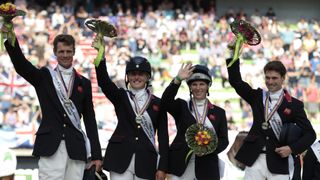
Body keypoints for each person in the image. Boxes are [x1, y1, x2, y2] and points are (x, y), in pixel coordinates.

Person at [2, 22, 102, 179]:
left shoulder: (84, 83)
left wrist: (97, 155)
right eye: (61, 51)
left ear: (74, 52)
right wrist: (9, 38)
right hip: (51, 145)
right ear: (55, 52)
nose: (65, 55)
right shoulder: (45, 77)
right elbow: (21, 66)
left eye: (69, 51)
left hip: (76, 147)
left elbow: (90, 120)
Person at [226, 53, 316, 179]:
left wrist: (291, 148)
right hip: (254, 159)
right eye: (267, 78)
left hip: (279, 162)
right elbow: (236, 81)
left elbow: (310, 134)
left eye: (274, 78)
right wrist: (232, 53)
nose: (270, 82)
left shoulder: (294, 105)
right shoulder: (257, 97)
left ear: (283, 78)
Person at [92, 36, 168, 180]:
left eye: (141, 74)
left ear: (147, 77)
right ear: (127, 77)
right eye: (133, 74)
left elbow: (163, 138)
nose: (136, 77)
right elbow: (104, 82)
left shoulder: (158, 103)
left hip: (146, 161)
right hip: (120, 157)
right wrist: (100, 56)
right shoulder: (121, 96)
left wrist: (163, 167)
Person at [161, 63, 229, 180]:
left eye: (202, 84)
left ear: (208, 86)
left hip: (207, 166)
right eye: (194, 84)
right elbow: (165, 102)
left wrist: (208, 149)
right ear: (190, 87)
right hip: (181, 164)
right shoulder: (182, 106)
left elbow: (224, 140)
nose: (198, 88)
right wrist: (177, 80)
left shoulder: (219, 112)